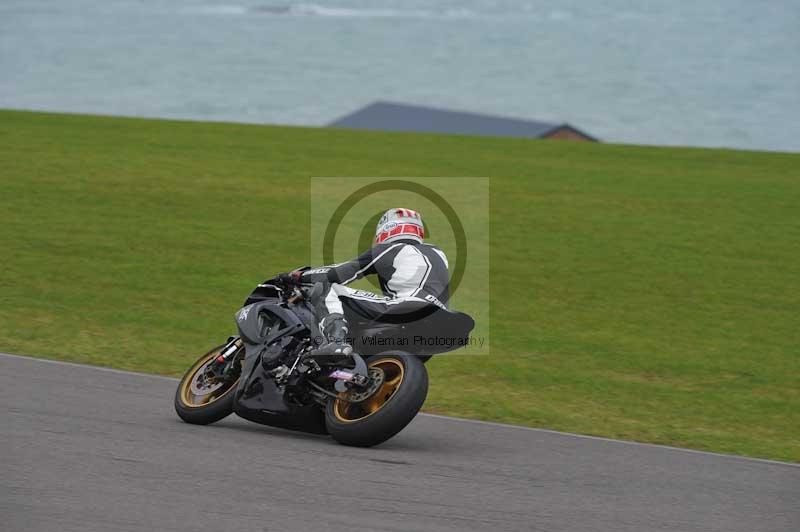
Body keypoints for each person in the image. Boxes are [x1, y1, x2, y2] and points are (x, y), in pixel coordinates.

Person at [280, 208, 450, 359]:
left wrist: (299, 276)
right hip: (439, 321)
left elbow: (338, 273)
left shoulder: (390, 249)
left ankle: (336, 343)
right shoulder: (438, 253)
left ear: (388, 228)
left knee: (330, 289)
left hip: (410, 307)